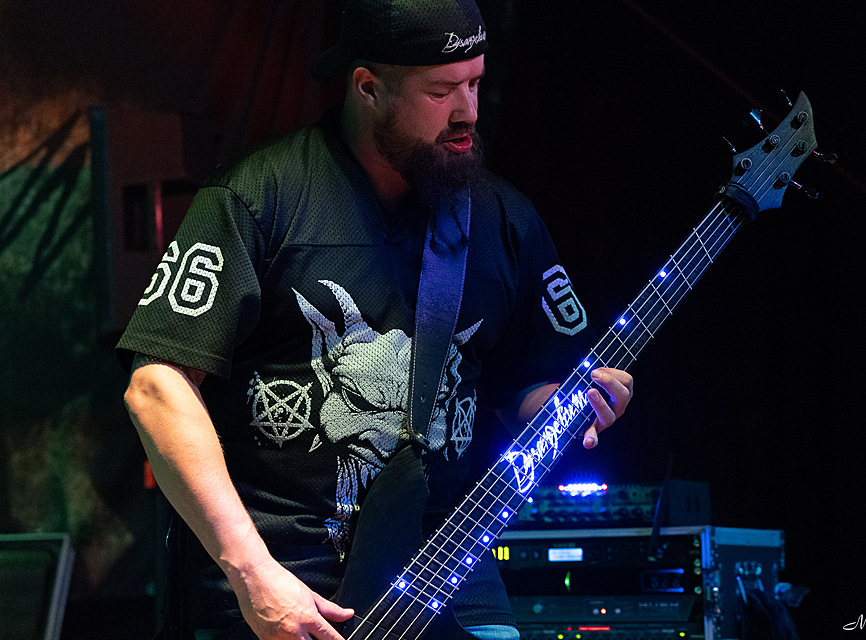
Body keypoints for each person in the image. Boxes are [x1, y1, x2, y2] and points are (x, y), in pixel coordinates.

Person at [118, 1, 634, 639]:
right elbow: (157, 386)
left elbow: (527, 393)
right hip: (289, 585)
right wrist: (252, 572)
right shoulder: (258, 198)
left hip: (448, 571)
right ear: (367, 86)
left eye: (475, 83)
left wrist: (578, 408)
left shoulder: (505, 222)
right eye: (441, 91)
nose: (468, 111)